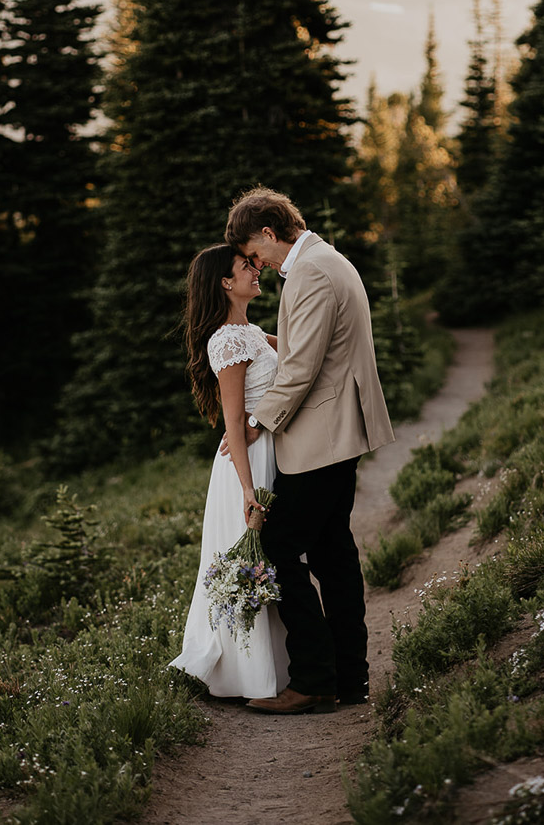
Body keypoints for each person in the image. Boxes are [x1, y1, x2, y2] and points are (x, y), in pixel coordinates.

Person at [223, 186, 395, 715]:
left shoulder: (314, 270)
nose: (257, 263)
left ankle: (315, 677)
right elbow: (303, 347)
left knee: (276, 548)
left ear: (270, 233)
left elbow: (303, 368)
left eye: (256, 252)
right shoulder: (319, 262)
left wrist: (256, 423)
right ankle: (348, 679)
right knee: (331, 554)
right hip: (334, 432)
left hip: (324, 437)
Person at [169, 243, 288, 699]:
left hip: (270, 450)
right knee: (254, 562)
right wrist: (246, 489)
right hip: (248, 466)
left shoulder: (252, 332)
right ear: (224, 282)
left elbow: (298, 356)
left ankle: (281, 668)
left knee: (274, 562)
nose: (256, 271)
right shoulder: (227, 340)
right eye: (246, 266)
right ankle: (245, 673)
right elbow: (232, 421)